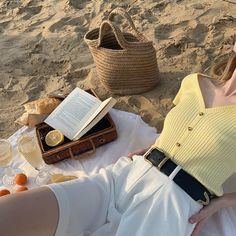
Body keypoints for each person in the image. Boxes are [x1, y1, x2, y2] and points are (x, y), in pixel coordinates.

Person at [0, 42, 235, 236]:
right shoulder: (194, 82)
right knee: (7, 213)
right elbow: (183, 130)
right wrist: (154, 147)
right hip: (124, 175)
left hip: (172, 203)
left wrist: (221, 202)